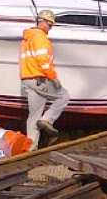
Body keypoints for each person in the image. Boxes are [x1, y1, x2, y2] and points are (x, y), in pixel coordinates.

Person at [20, 9, 70, 150]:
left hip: (28, 80)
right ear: (41, 22)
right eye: (49, 24)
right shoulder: (40, 37)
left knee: (34, 115)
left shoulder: (27, 38)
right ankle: (47, 120)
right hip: (40, 79)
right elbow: (43, 60)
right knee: (64, 96)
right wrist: (53, 77)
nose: (50, 28)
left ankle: (30, 148)